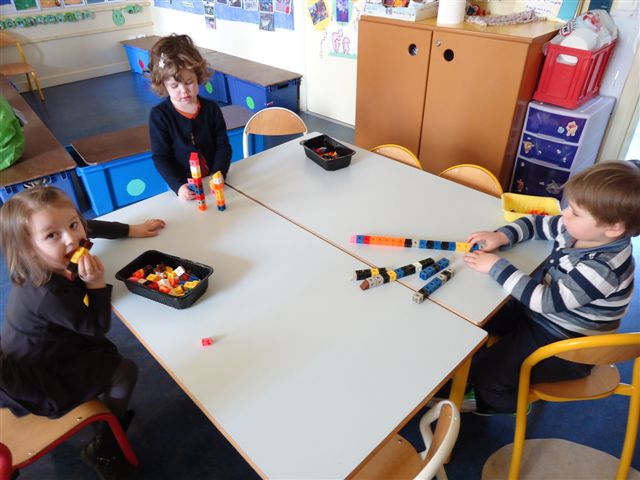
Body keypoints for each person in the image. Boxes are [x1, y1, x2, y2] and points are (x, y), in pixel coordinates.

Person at [0, 186, 165, 477]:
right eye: (52, 235)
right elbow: (97, 327)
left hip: (40, 349)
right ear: (28, 248)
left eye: (72, 224)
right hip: (40, 379)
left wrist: (131, 229)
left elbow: (88, 227)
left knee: (106, 354)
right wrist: (96, 284)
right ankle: (104, 444)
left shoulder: (42, 262)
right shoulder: (48, 293)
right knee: (124, 371)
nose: (71, 238)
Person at [463, 160, 639, 414]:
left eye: (576, 212)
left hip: (565, 343)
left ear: (613, 228)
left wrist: (496, 267)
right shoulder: (580, 230)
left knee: (487, 374)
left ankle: (503, 403)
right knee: (478, 317)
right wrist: (501, 236)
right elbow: (536, 224)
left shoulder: (603, 268)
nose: (564, 213)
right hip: (543, 316)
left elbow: (544, 301)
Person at [148, 34, 232, 200]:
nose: (184, 91)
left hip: (214, 182)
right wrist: (178, 186)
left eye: (189, 82)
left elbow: (223, 145)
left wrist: (219, 173)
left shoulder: (211, 109)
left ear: (198, 76)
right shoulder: (160, 116)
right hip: (185, 187)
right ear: (163, 85)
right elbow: (161, 157)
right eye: (174, 86)